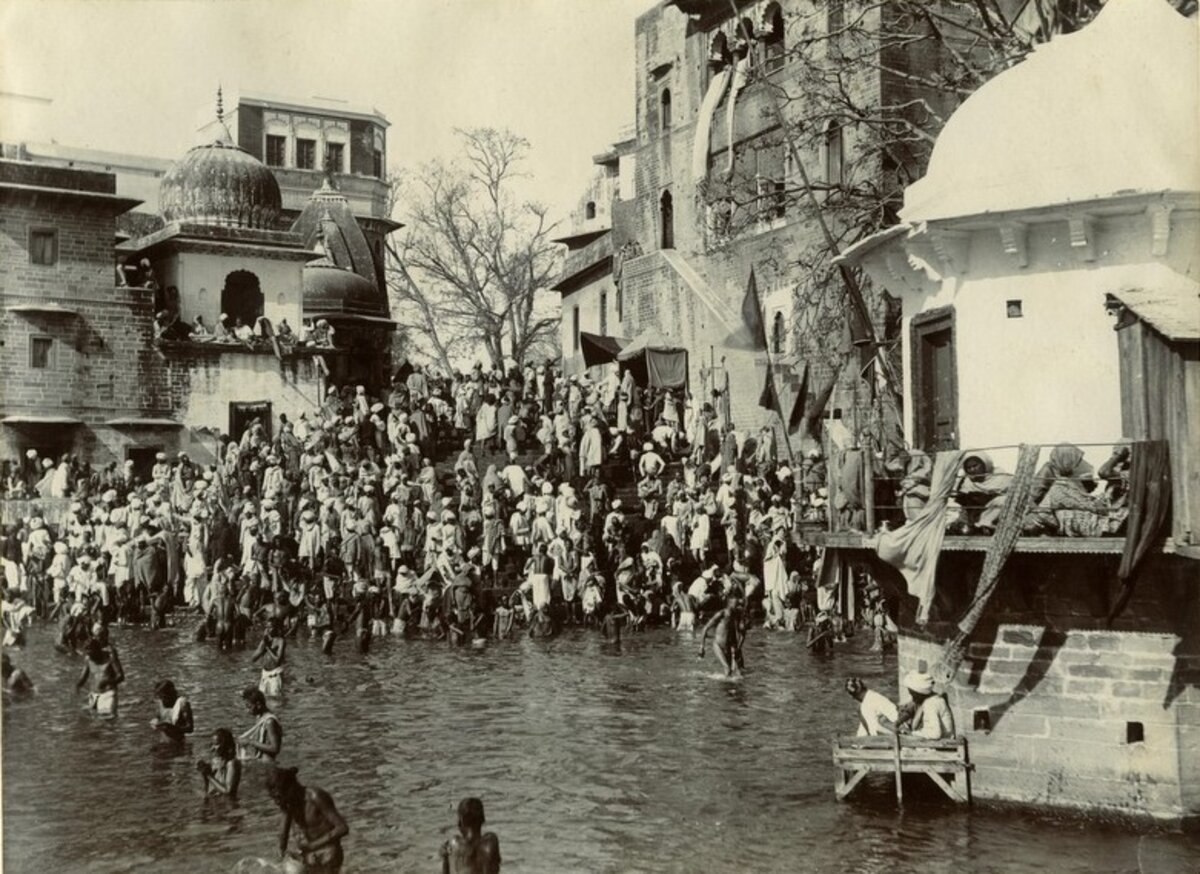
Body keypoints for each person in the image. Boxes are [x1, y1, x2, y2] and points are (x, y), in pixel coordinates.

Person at [266, 766, 349, 874]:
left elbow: (342, 828)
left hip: (328, 854)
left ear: (290, 788)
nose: (277, 802)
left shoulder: (316, 797)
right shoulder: (288, 802)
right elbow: (283, 834)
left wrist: (313, 845)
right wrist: (281, 854)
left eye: (279, 797)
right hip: (308, 855)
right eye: (275, 799)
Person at [441, 796, 501, 874]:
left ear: (460, 821)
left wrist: (445, 859)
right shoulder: (491, 842)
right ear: (483, 819)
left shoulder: (453, 844)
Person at [698, 596, 744, 677]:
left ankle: (726, 688)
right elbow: (705, 628)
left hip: (728, 647)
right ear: (729, 604)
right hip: (718, 645)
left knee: (733, 672)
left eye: (738, 605)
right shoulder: (721, 614)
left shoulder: (737, 616)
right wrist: (702, 647)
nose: (738, 606)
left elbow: (742, 634)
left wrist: (738, 648)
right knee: (727, 669)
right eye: (736, 604)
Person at [901, 671, 956, 739]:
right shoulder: (934, 699)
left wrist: (913, 734)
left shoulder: (931, 704)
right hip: (941, 742)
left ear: (919, 693)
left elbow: (936, 734)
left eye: (913, 695)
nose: (913, 698)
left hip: (941, 745)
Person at [77, 638, 122, 717]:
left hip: (108, 694)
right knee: (94, 723)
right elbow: (83, 677)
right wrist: (76, 687)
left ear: (98, 650)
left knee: (107, 721)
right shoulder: (88, 659)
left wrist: (107, 681)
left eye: (92, 653)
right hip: (93, 695)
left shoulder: (110, 658)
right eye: (88, 654)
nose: (90, 657)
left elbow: (120, 676)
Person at [238, 687, 282, 762]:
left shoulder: (269, 721)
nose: (247, 711)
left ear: (258, 705)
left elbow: (275, 748)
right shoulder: (260, 718)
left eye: (249, 707)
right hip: (260, 760)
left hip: (267, 764)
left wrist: (250, 742)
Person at [197, 728, 241, 798]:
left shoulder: (232, 763)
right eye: (212, 744)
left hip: (227, 805)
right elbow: (209, 789)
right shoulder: (215, 761)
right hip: (215, 802)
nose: (213, 748)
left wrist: (208, 775)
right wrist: (205, 771)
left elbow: (228, 791)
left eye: (216, 744)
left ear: (225, 744)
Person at [251, 618, 287, 698]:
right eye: (267, 627)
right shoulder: (265, 641)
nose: (268, 629)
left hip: (275, 675)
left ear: (276, 628)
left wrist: (268, 648)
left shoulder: (280, 641)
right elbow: (253, 658)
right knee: (262, 699)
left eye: (270, 627)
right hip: (264, 675)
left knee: (275, 701)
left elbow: (277, 660)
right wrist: (263, 644)